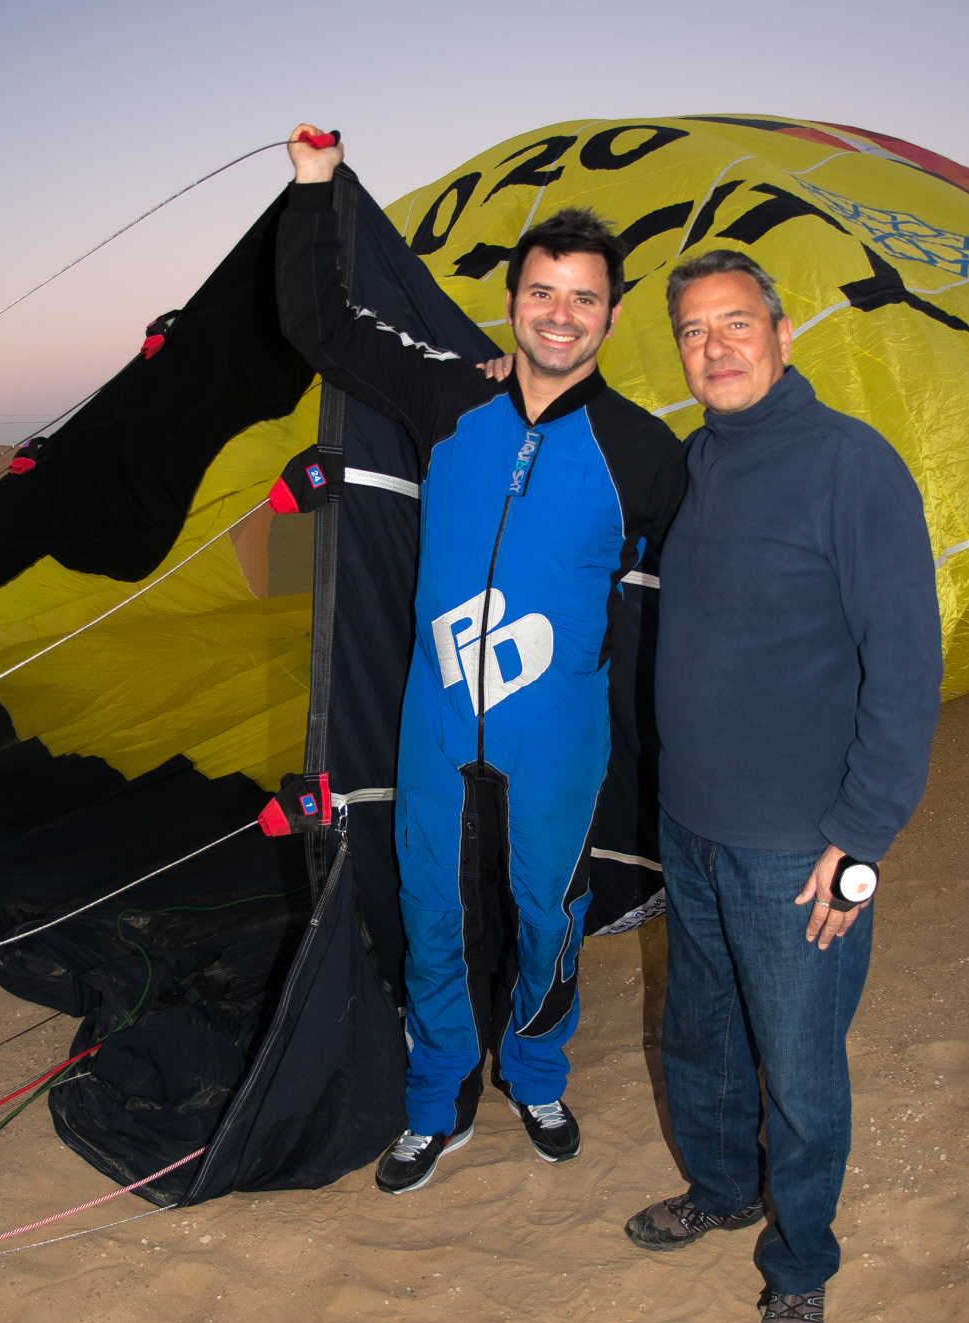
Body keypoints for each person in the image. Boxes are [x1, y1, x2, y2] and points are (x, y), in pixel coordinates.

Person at [278, 124, 688, 1194]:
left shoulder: (643, 451)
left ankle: (538, 1071)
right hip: (434, 723)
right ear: (514, 300)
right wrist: (316, 187)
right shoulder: (446, 397)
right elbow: (318, 323)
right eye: (542, 292)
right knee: (434, 910)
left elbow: (717, 581)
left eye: (583, 298)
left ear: (609, 313)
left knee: (549, 914)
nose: (560, 314)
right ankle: (435, 1097)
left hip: (556, 740)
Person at [626, 249, 943, 1323]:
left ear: (780, 331)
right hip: (692, 829)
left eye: (734, 323)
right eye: (692, 331)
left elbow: (905, 668)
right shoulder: (693, 465)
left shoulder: (850, 466)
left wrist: (857, 844)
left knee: (800, 1072)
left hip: (797, 850)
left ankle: (798, 1266)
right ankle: (717, 1189)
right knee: (698, 1038)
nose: (713, 346)